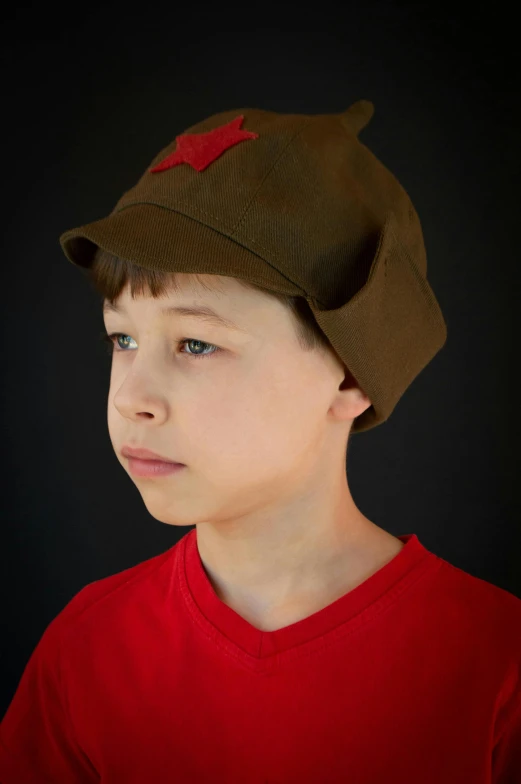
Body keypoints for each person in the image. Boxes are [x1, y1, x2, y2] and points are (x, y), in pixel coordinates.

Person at [1, 101, 519, 782]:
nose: (130, 397)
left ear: (349, 375)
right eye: (121, 338)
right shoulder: (85, 651)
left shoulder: (494, 662)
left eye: (195, 343)